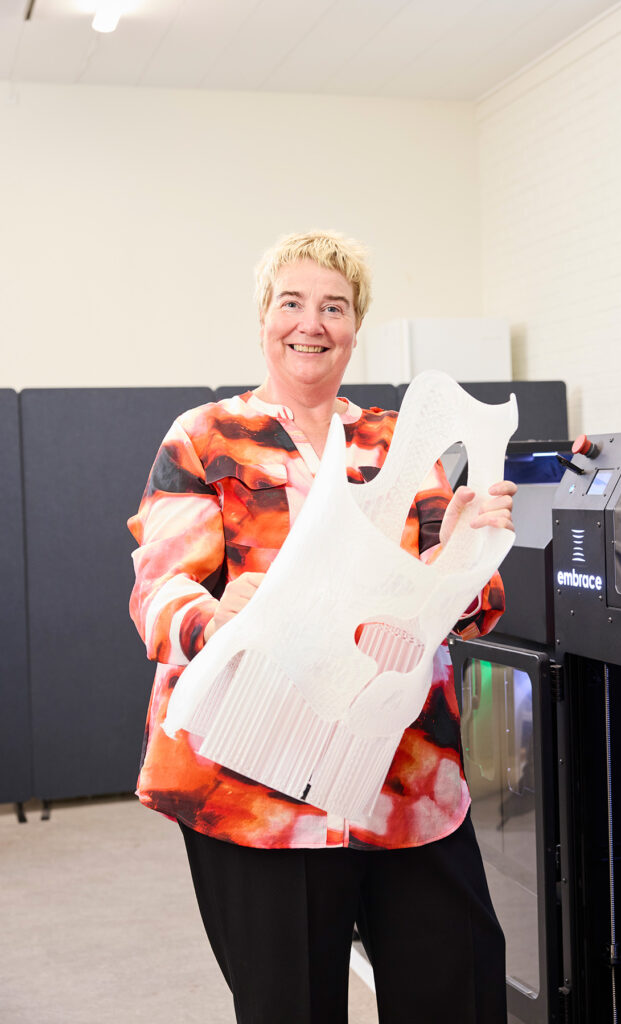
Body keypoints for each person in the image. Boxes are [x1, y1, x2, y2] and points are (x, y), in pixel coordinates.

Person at [128, 230, 516, 1024]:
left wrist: (467, 547)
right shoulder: (205, 437)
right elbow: (160, 589)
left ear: (354, 324)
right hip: (255, 783)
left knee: (460, 982)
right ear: (264, 319)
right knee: (290, 1007)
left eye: (333, 306)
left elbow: (469, 604)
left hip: (401, 770)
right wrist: (211, 615)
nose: (311, 322)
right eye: (292, 303)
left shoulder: (393, 442)